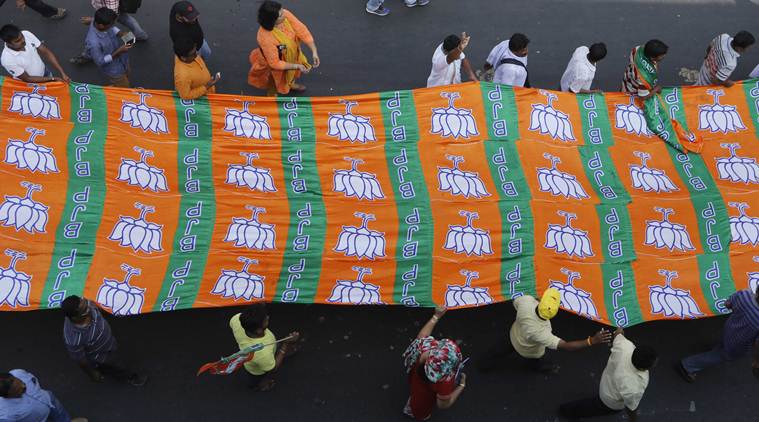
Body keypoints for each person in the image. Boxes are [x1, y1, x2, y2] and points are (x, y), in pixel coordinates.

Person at [478, 288, 611, 374]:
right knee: (536, 363)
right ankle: (538, 368)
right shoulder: (543, 332)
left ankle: (482, 365)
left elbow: (517, 299)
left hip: (513, 336)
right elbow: (566, 346)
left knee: (498, 350)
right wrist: (592, 341)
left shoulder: (526, 303)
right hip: (529, 352)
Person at [559, 328, 658, 421]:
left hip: (606, 383)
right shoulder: (634, 387)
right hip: (610, 402)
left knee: (592, 405)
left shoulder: (625, 346)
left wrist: (620, 329)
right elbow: (631, 407)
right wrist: (633, 420)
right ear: (643, 368)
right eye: (654, 363)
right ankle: (567, 411)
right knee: (590, 408)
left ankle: (568, 410)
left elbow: (618, 333)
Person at [61, 295, 147, 387]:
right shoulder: (73, 339)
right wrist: (92, 374)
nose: (90, 308)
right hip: (102, 356)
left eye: (87, 303)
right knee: (118, 366)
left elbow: (96, 307)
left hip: (109, 342)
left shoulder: (86, 305)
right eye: (85, 310)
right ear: (75, 318)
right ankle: (131, 378)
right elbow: (80, 360)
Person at [678, 288, 759, 382]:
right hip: (738, 346)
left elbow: (727, 304)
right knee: (719, 356)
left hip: (729, 328)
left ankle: (716, 349)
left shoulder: (745, 295)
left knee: (722, 344)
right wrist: (757, 361)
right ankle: (687, 366)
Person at [402, 307, 466, 421]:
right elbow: (443, 405)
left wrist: (436, 316)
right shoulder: (444, 382)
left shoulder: (427, 353)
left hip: (416, 383)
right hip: (424, 400)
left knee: (415, 396)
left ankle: (410, 407)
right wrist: (461, 385)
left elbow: (421, 337)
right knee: (421, 411)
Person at [247, 1, 319, 96]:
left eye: (282, 11)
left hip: (292, 56)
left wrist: (314, 51)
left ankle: (290, 84)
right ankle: (272, 96)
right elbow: (274, 63)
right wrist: (297, 66)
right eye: (281, 15)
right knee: (274, 81)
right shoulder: (265, 37)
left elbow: (302, 30)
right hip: (275, 65)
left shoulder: (285, 14)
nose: (285, 14)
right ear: (272, 20)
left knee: (291, 75)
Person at [229, 303, 300, 391]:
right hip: (257, 371)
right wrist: (285, 344)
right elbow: (273, 368)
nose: (268, 317)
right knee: (257, 380)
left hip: (266, 352)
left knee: (273, 352)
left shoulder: (236, 319)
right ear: (258, 331)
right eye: (265, 320)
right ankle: (261, 386)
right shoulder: (262, 354)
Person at [70, 0, 147, 65]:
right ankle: (140, 35)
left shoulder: (95, 40)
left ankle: (88, 55)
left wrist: (119, 51)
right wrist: (126, 41)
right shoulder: (106, 28)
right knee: (125, 19)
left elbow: (101, 62)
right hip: (105, 15)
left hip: (115, 72)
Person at [0, 370, 87, 422]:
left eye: (20, 382)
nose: (23, 386)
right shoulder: (5, 415)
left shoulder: (18, 372)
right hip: (41, 419)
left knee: (61, 415)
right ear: (7, 396)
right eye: (18, 390)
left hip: (49, 400)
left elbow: (33, 380)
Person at [1, 24, 70, 83]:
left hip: (45, 72)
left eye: (22, 37)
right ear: (9, 43)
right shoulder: (7, 60)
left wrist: (62, 73)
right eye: (18, 41)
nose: (23, 40)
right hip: (33, 84)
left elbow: (46, 52)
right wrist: (53, 79)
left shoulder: (26, 34)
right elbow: (27, 78)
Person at [84, 7, 132, 87]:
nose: (113, 26)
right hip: (115, 70)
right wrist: (119, 51)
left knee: (127, 75)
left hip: (123, 60)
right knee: (124, 86)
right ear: (101, 26)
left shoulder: (98, 21)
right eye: (111, 24)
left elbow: (112, 28)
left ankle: (120, 85)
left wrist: (122, 34)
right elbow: (100, 62)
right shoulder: (93, 43)